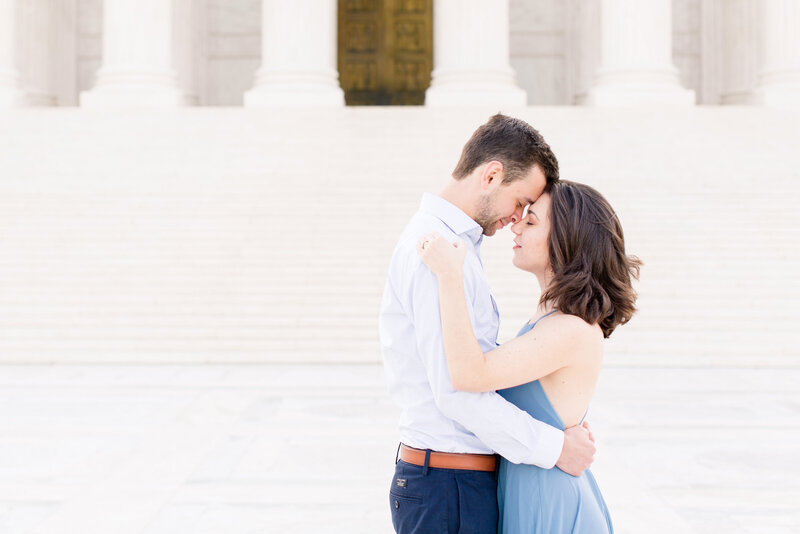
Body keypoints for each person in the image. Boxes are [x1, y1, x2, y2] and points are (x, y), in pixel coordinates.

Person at [379, 114, 596, 534]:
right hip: (449, 487)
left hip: (455, 484)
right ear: (492, 175)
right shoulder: (436, 250)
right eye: (520, 203)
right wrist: (557, 448)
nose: (517, 219)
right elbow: (458, 391)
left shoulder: (454, 247)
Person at [416, 180, 641, 533]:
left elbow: (469, 374)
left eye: (532, 221)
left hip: (550, 503)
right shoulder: (553, 320)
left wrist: (449, 276)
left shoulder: (570, 328)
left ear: (567, 241)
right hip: (535, 494)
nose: (516, 226)